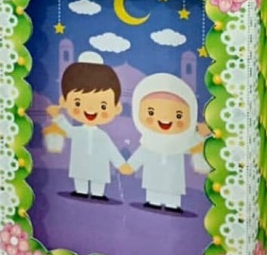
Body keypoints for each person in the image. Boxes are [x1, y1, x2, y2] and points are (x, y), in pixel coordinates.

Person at [45, 52, 129, 200]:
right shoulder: (78, 132)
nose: (90, 110)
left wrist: (121, 164)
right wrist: (57, 116)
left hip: (99, 167)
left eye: (103, 106)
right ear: (64, 101)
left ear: (116, 108)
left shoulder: (102, 136)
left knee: (98, 179)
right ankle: (81, 190)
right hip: (80, 164)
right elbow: (67, 130)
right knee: (80, 176)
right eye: (78, 103)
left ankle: (98, 193)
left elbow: (111, 150)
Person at [126, 73, 210, 213]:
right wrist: (131, 165)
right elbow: (141, 154)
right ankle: (153, 200)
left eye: (178, 115)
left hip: (173, 176)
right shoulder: (149, 142)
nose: (165, 118)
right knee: (153, 186)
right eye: (151, 112)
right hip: (153, 174)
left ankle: (173, 204)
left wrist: (199, 143)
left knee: (173, 189)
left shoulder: (182, 142)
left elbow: (194, 147)